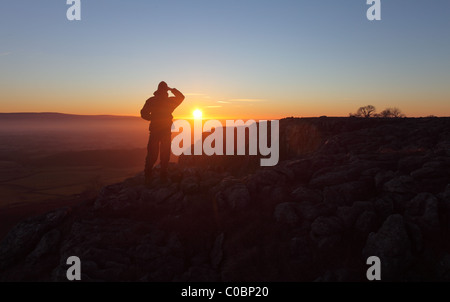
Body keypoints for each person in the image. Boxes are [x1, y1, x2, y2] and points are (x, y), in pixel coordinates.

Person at [140, 81, 185, 185]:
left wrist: (152, 118)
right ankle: (163, 176)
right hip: (166, 131)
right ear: (166, 91)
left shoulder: (151, 100)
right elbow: (181, 97)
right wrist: (172, 89)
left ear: (158, 90)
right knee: (165, 154)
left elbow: (143, 113)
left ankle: (148, 176)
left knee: (152, 153)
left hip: (155, 131)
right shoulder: (170, 102)